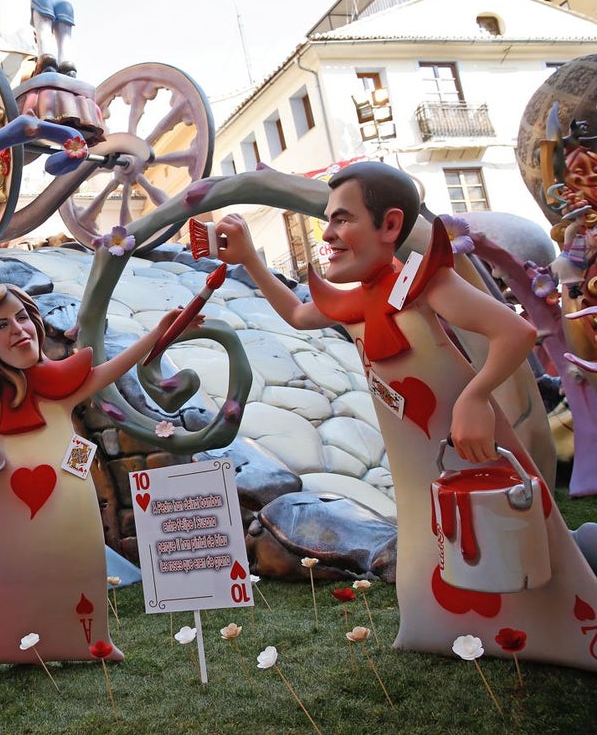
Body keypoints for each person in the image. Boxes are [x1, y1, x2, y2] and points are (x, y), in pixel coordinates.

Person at [217, 161, 597, 670]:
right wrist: (248, 260)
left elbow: (514, 332)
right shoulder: (355, 303)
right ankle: (439, 626)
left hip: (468, 447)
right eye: (327, 221)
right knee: (431, 546)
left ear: (390, 227)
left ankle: (561, 629)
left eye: (343, 219)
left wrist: (475, 398)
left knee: (508, 534)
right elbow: (298, 314)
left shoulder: (422, 285)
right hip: (418, 467)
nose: (327, 234)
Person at [0, 284, 197, 666]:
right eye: (1, 325)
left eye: (22, 317)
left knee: (75, 564)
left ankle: (92, 642)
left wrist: (158, 332)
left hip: (69, 493)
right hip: (3, 499)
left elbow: (114, 368)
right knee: (0, 568)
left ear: (36, 323)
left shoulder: (62, 382)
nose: (17, 330)